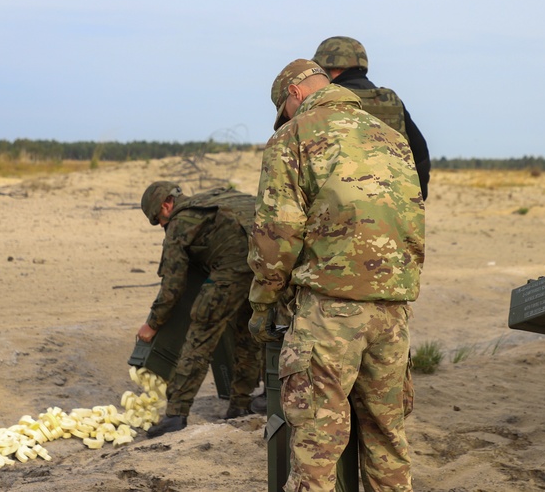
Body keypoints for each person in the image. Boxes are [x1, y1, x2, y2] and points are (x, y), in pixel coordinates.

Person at [248, 58, 425, 492]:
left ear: (295, 94)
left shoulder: (293, 137)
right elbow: (412, 222)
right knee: (388, 439)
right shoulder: (392, 138)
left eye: (285, 110)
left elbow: (278, 235)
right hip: (393, 311)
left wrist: (262, 303)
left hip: (329, 313)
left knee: (316, 446)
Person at [136, 181, 263, 437]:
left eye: (158, 219)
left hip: (234, 267)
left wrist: (152, 324)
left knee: (201, 333)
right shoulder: (212, 202)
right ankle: (241, 403)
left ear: (166, 205)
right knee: (248, 331)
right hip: (267, 263)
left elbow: (172, 286)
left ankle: (176, 414)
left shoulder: (180, 223)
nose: (162, 225)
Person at [312, 36, 431, 200]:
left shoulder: (324, 102)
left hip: (339, 211)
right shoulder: (390, 101)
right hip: (393, 207)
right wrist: (414, 199)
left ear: (332, 68)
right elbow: (420, 154)